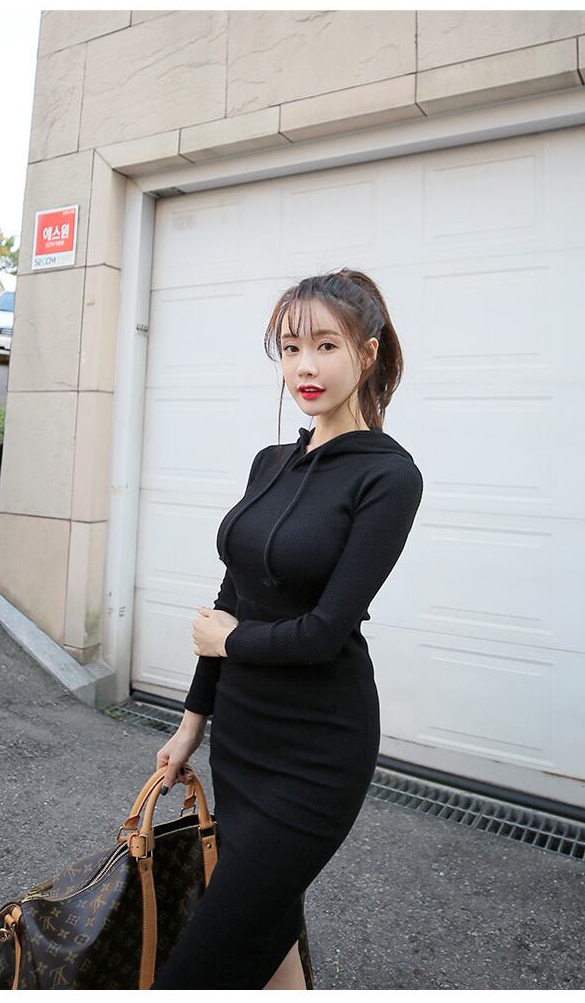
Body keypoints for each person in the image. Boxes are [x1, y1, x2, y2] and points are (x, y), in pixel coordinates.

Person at [150, 268, 423, 990]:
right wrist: (192, 723)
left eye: (326, 345)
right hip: (243, 741)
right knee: (269, 937)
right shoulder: (270, 463)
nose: (306, 366)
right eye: (291, 347)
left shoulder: (389, 478)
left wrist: (230, 641)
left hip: (316, 753)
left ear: (368, 352)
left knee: (205, 962)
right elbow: (231, 594)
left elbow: (325, 631)